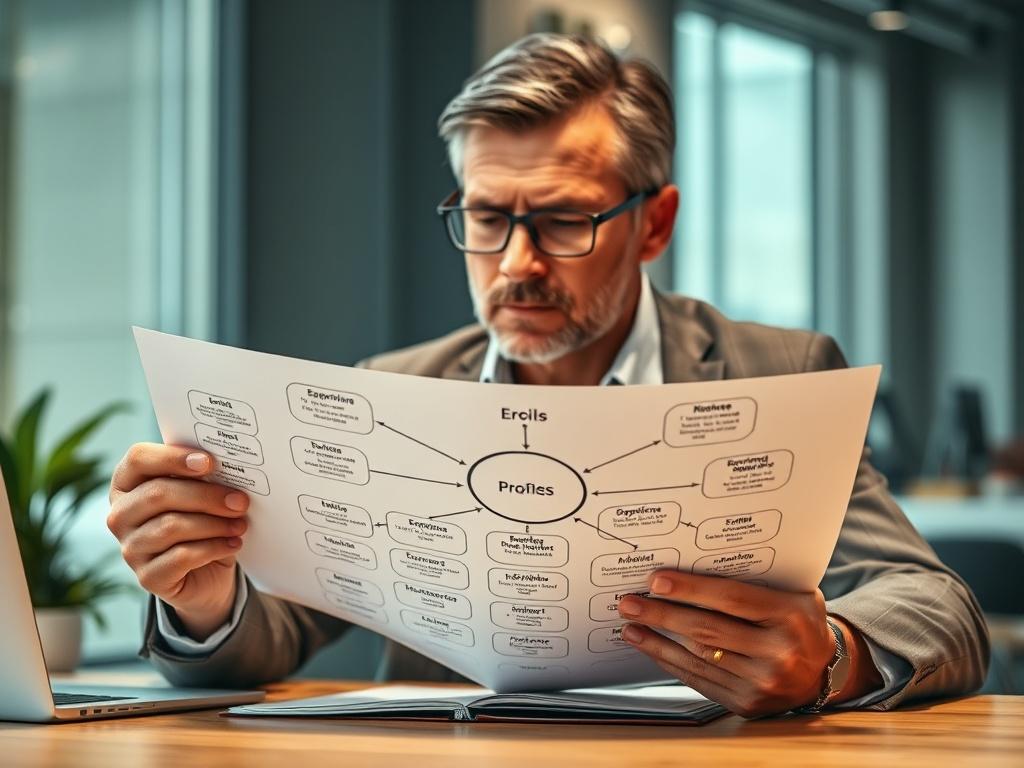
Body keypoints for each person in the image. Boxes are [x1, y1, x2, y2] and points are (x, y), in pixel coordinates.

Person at [106, 33, 988, 717]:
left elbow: (938, 606)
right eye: (486, 216)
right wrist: (203, 600)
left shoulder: (777, 373)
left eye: (565, 221)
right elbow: (274, 634)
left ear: (654, 224)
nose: (516, 264)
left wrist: (830, 658)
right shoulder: (394, 390)